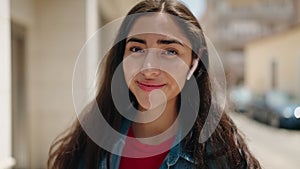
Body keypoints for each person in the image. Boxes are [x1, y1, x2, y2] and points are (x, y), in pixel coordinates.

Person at [48, 0, 261, 169]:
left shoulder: (219, 153)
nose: (148, 68)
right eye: (136, 49)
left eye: (170, 51)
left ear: (194, 62)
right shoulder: (93, 135)